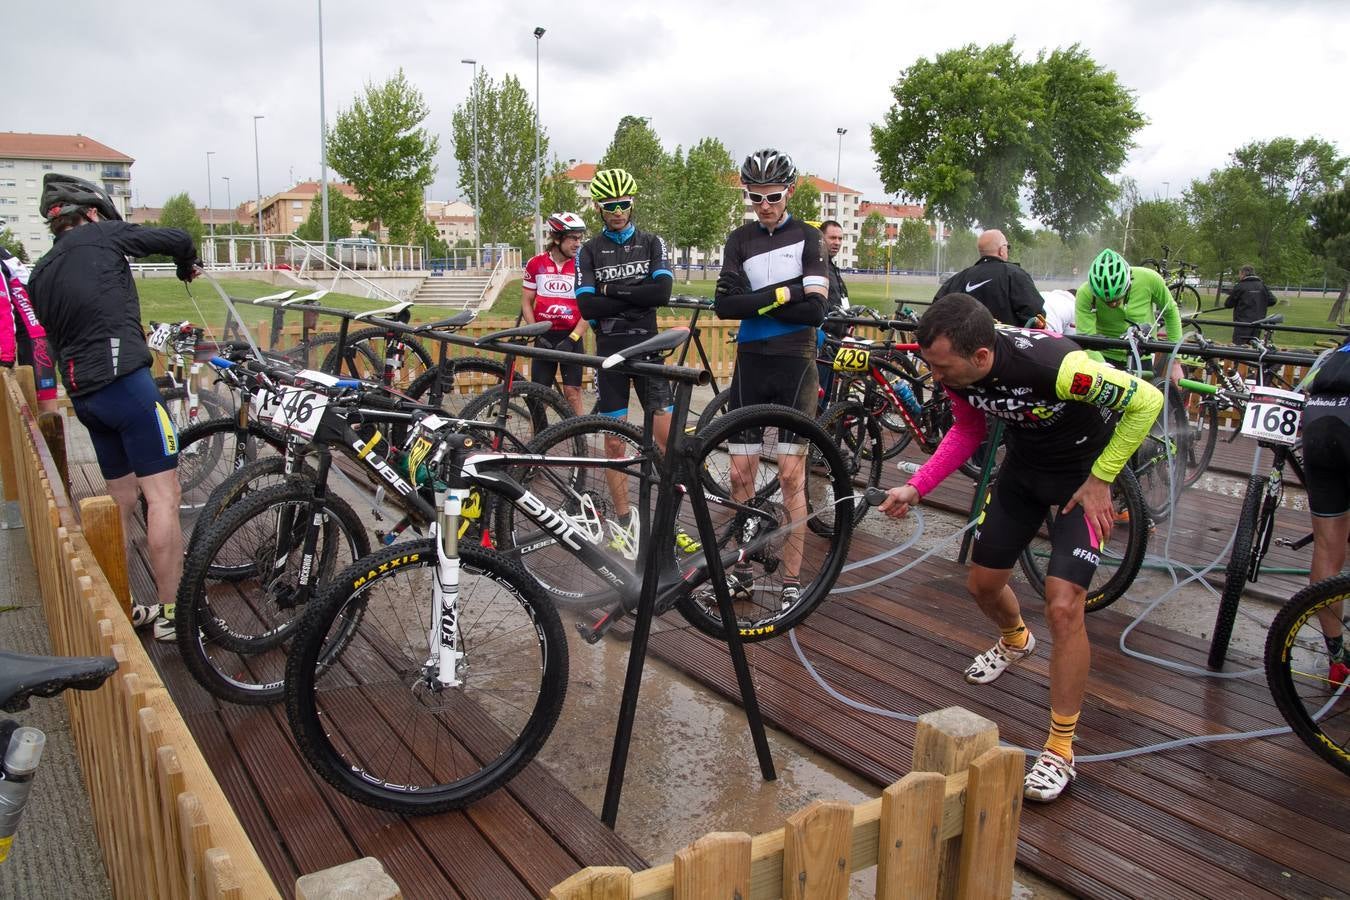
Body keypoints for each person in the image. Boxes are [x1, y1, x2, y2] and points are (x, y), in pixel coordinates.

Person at [877, 294, 1162, 801]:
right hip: (1024, 474)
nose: (937, 379)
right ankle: (1014, 640)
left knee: (1062, 603)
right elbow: (968, 429)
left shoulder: (1057, 367)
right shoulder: (962, 371)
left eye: (943, 368)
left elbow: (1146, 401)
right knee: (983, 585)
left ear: (981, 357)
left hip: (1083, 479)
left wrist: (1102, 480)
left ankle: (1060, 749)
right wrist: (918, 485)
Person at [26, 174, 201, 642]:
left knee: (120, 503)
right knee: (163, 496)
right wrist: (187, 262)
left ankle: (122, 605)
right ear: (91, 214)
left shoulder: (40, 273)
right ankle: (172, 614)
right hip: (128, 388)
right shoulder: (101, 233)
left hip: (87, 399)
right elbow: (178, 238)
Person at [714, 148, 827, 607]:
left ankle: (792, 582)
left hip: (795, 359)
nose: (764, 205)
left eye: (773, 196)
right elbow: (725, 306)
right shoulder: (739, 240)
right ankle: (741, 569)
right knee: (740, 474)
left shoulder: (810, 237)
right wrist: (785, 292)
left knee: (789, 477)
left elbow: (816, 309)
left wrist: (757, 298)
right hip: (750, 362)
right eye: (754, 197)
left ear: (790, 192)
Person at [574, 168, 695, 554]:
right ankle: (625, 525)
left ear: (633, 202)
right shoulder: (589, 249)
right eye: (609, 205)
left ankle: (668, 525)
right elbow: (587, 304)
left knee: (667, 443)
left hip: (649, 349)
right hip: (610, 353)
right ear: (598, 206)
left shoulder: (651, 242)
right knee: (614, 445)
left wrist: (611, 290)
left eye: (623, 204)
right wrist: (633, 294)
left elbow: (660, 292)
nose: (617, 212)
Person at [1298, 341, 1350, 685]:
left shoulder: (1339, 351)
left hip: (1319, 423)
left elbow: (1304, 388)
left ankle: (1337, 658)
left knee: (1327, 548)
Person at [1075, 248, 1183, 376]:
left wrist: (1175, 362)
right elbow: (1086, 337)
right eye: (1106, 301)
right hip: (1103, 355)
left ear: (1128, 283)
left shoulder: (1150, 279)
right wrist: (1104, 369)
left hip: (1142, 354)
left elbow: (1170, 312)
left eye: (1117, 298)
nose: (1113, 304)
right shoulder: (1085, 293)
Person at [522, 212, 588, 417]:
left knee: (573, 393)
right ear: (557, 238)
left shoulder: (582, 265)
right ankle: (538, 439)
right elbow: (526, 302)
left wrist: (573, 337)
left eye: (580, 238)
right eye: (573, 238)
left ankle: (581, 438)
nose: (578, 243)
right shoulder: (536, 263)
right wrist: (536, 334)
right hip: (544, 336)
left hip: (572, 337)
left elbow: (588, 310)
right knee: (539, 396)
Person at [935, 229, 1043, 327]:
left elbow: (936, 312)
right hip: (1002, 346)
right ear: (1001, 250)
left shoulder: (957, 279)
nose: (1007, 250)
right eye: (1007, 247)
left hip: (963, 346)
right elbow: (1035, 316)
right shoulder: (1015, 275)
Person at [0, 248, 59, 414]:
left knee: (45, 411)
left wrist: (6, 357)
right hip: (29, 334)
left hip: (35, 336)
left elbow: (3, 309)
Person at [816, 219, 851, 409]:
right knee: (819, 395)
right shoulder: (817, 265)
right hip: (824, 339)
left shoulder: (832, 267)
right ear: (822, 238)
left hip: (837, 339)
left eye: (840, 238)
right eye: (832, 238)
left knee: (828, 394)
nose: (837, 242)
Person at [1224, 265, 1277, 345]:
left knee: (1239, 348)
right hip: (1258, 322)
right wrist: (1259, 303)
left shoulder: (1240, 286)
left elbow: (1228, 304)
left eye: (1239, 274)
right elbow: (1272, 300)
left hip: (1242, 324)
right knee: (1253, 347)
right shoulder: (1262, 285)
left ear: (1243, 274)